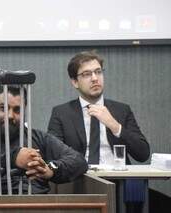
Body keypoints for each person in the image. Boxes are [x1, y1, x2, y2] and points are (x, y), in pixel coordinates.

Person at [47, 51, 150, 212]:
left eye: (98, 72)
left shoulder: (121, 110)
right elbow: (52, 153)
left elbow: (143, 154)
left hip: (118, 184)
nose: (95, 78)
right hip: (79, 182)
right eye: (87, 74)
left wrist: (115, 126)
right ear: (75, 81)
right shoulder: (61, 113)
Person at [0, 85, 88, 195]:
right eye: (4, 108)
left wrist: (50, 169)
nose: (10, 115)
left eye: (17, 110)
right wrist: (13, 159)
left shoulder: (37, 137)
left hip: (35, 206)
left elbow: (78, 161)